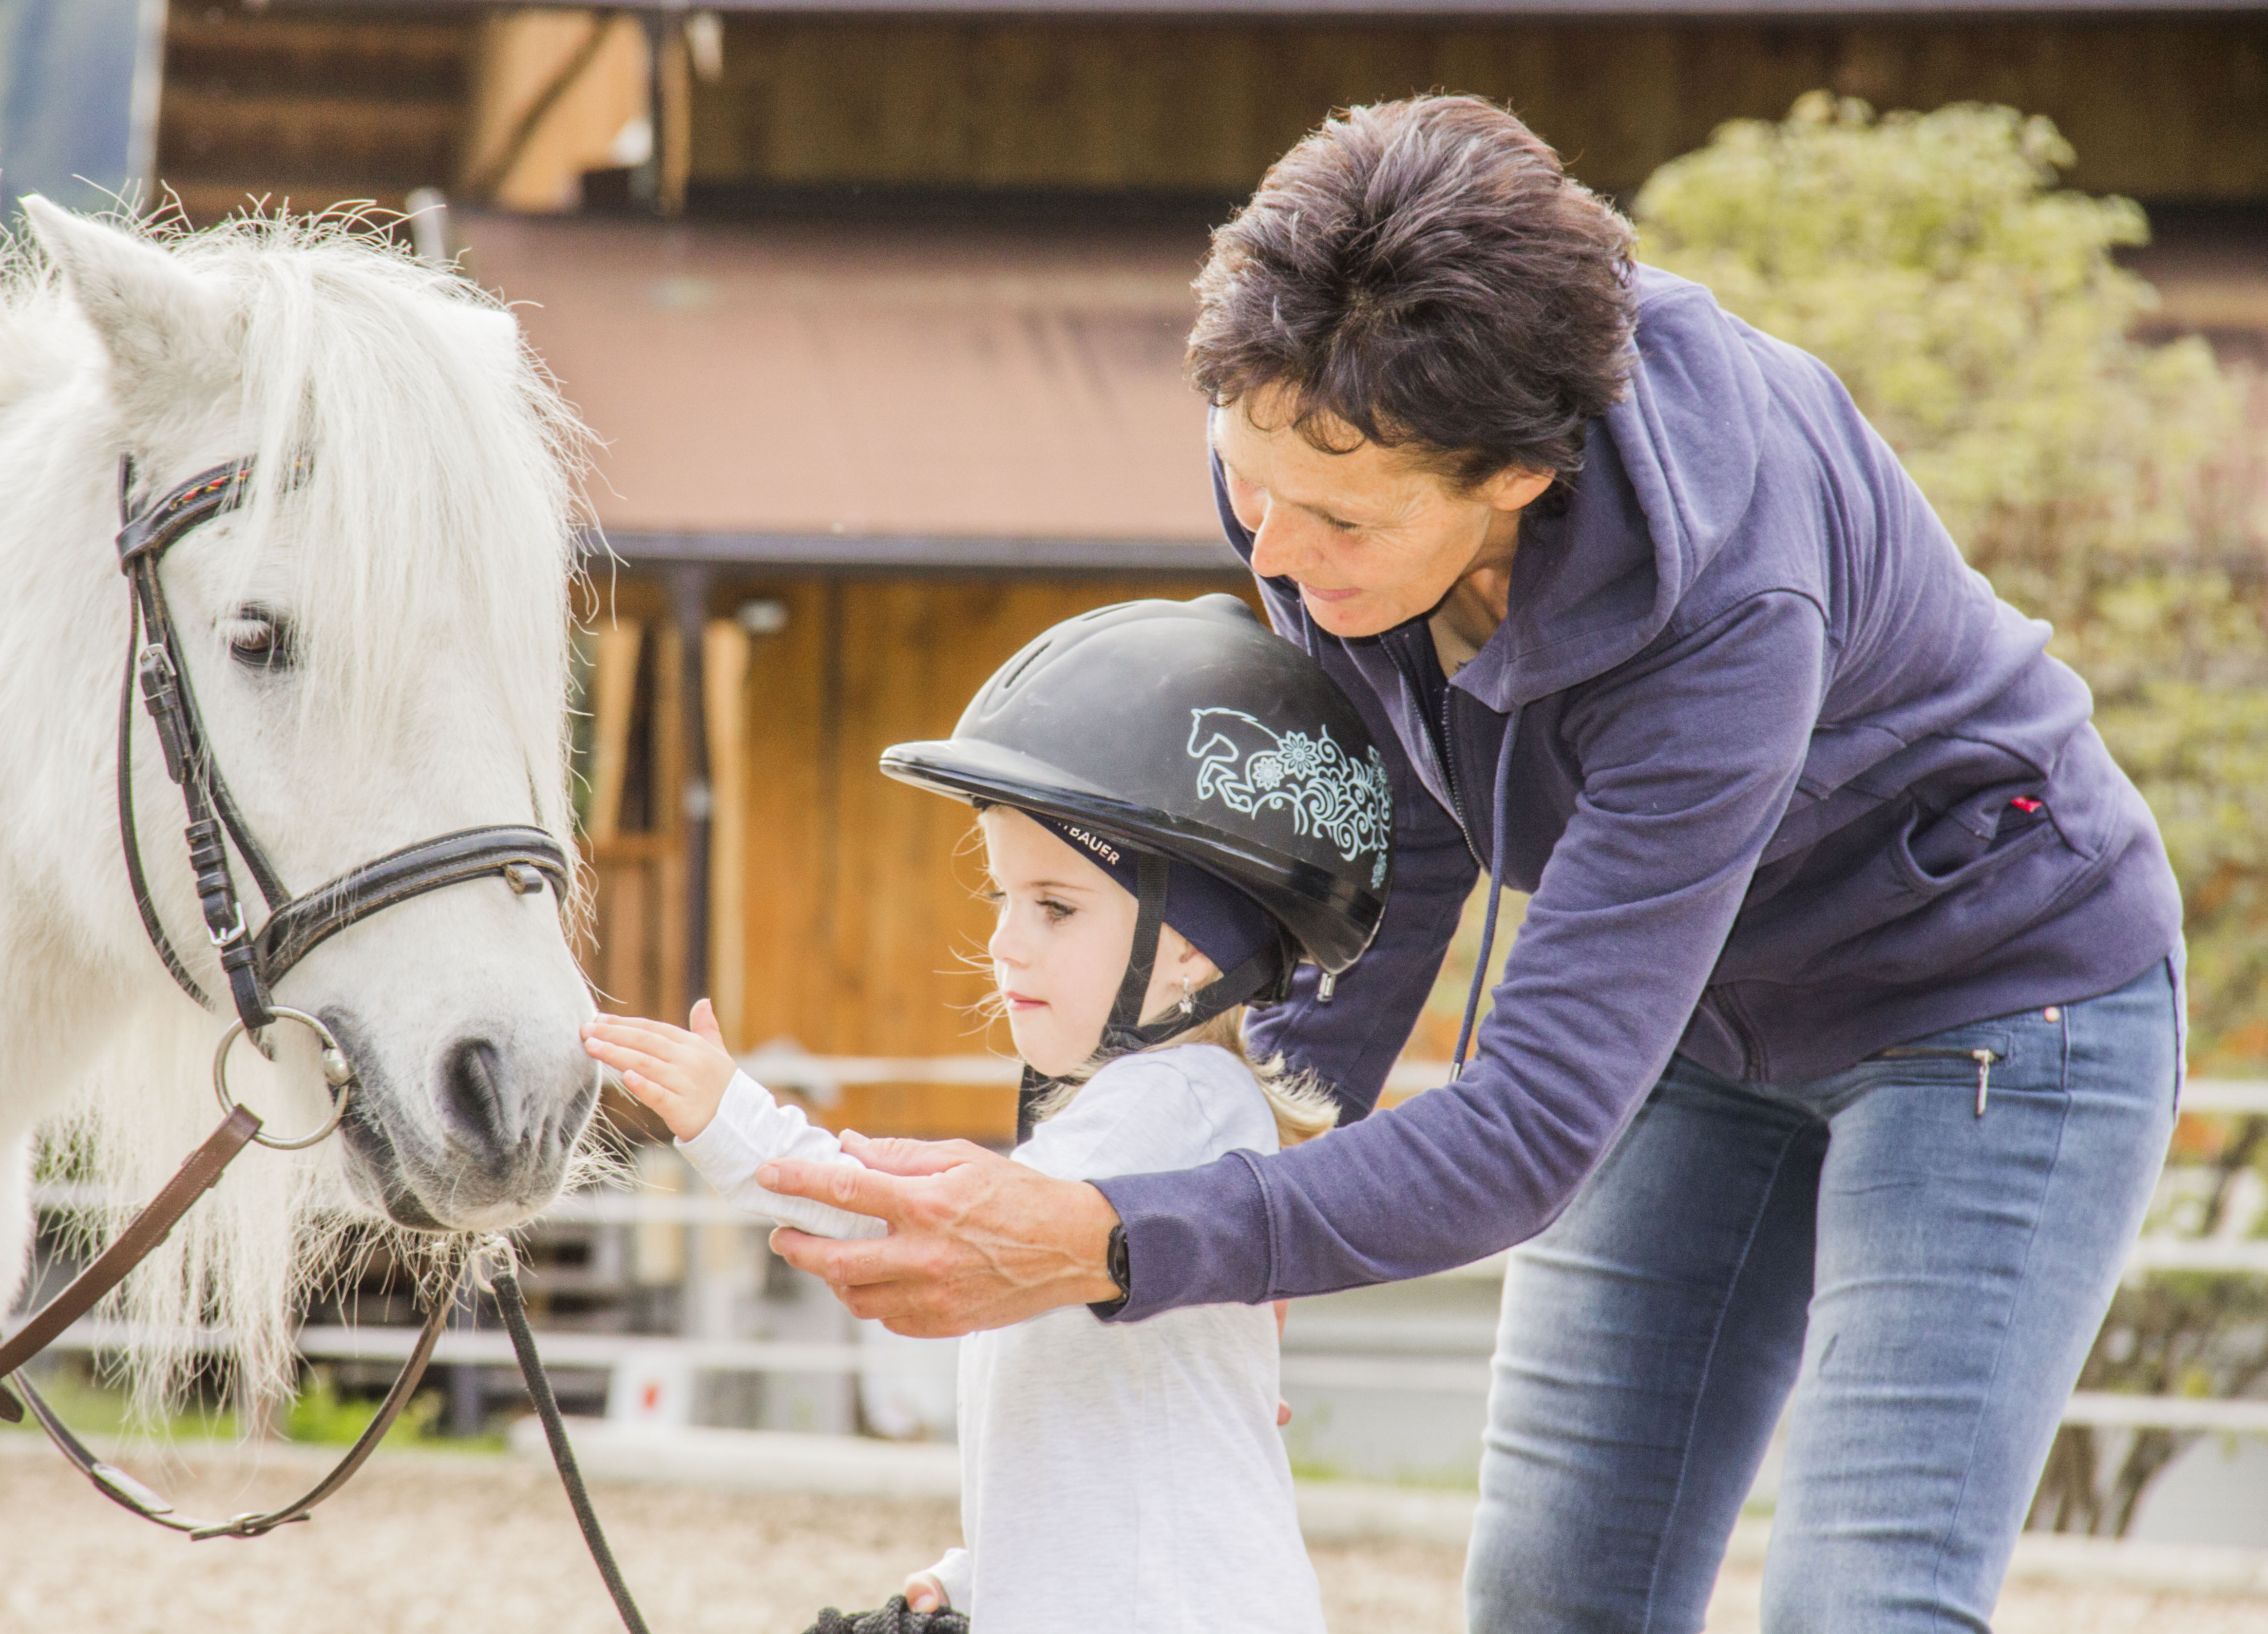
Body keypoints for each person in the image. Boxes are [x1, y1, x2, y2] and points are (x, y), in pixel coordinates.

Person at [751, 95, 2187, 1633]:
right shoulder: (1309, 445)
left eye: (1339, 519)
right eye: (1250, 485)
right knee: (1551, 1596)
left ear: (1516, 475)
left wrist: (1127, 1241)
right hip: (1699, 1017)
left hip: (1989, 996)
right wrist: (1264, 1185)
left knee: (1861, 1605)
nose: (1273, 561)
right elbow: (1408, 806)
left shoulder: (1728, 605)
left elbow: (1525, 1132)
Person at [587, 598, 1380, 1634]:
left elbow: (913, 1222)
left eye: (1054, 906)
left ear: (1194, 949)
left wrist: (731, 1123)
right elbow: (1107, 1436)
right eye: (1002, 899)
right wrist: (980, 1576)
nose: (1005, 943)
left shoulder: (1174, 1105)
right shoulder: (1146, 1121)